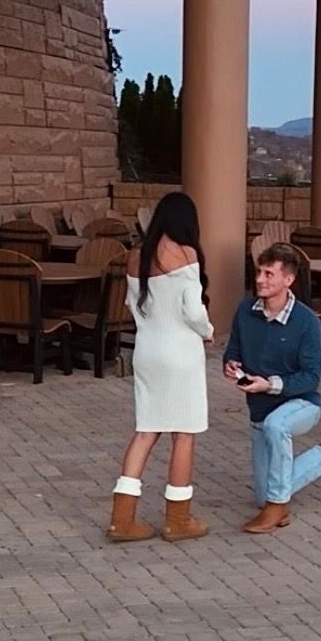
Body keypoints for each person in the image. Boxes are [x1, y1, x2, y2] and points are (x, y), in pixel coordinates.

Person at [108, 192, 214, 543]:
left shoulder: (135, 256)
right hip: (180, 354)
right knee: (184, 433)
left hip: (147, 351)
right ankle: (177, 519)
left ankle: (122, 520)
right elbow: (193, 311)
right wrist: (207, 331)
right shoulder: (185, 254)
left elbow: (132, 305)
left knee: (146, 430)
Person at [222, 244, 321, 534]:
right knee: (262, 496)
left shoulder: (307, 321)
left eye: (269, 274)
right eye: (259, 272)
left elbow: (311, 378)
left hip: (301, 403)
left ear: (288, 280)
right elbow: (233, 350)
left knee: (276, 426)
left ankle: (278, 506)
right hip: (259, 411)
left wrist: (270, 385)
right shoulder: (245, 311)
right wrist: (231, 365)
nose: (260, 279)